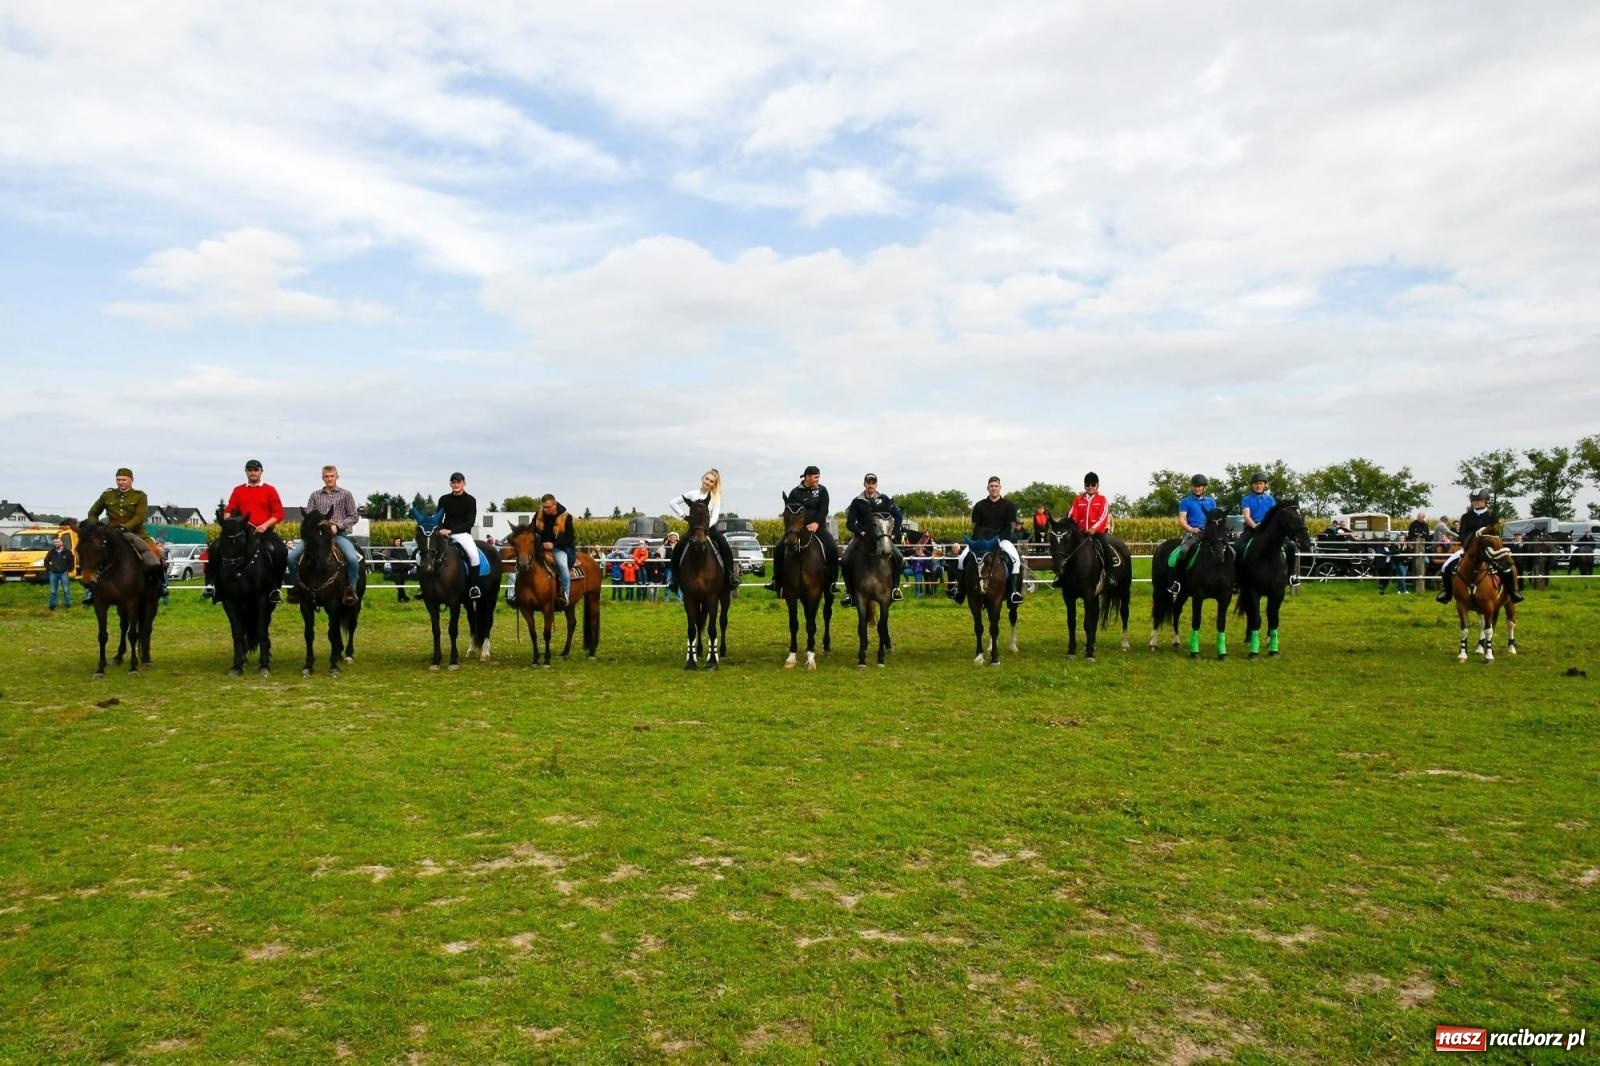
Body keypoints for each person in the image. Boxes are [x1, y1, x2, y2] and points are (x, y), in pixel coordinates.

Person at [286, 465, 362, 606]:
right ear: (323, 478)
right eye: (326, 476)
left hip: (338, 535)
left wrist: (337, 526)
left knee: (352, 559)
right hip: (316, 537)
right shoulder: (315, 495)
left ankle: (351, 589)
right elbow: (308, 516)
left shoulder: (346, 494)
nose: (329, 479)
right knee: (291, 557)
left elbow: (354, 516)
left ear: (337, 477)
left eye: (332, 476)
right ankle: (296, 586)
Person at [1436, 489, 1523, 604]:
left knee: (1508, 568)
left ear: (1486, 501)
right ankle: (1447, 593)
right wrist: (1469, 544)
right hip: (1469, 550)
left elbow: (1496, 534)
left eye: (1479, 500)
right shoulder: (1466, 516)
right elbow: (1462, 535)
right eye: (1474, 500)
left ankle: (1512, 592)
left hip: (1489, 550)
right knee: (1446, 567)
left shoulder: (1492, 517)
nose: (1476, 503)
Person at [948, 476, 1024, 605]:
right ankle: (960, 590)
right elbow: (975, 527)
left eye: (996, 486)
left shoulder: (1008, 506)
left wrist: (999, 539)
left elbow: (1010, 527)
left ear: (1000, 488)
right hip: (981, 541)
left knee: (1015, 560)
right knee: (961, 559)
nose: (994, 488)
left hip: (1002, 540)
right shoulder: (979, 505)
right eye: (991, 486)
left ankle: (1014, 592)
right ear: (987, 488)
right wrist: (978, 540)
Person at [220, 458, 288, 600]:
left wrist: (265, 525)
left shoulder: (270, 490)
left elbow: (278, 513)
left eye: (256, 470)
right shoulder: (238, 490)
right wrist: (230, 524)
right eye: (250, 470)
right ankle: (214, 586)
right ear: (246, 472)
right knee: (216, 548)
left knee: (281, 551)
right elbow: (228, 510)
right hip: (242, 533)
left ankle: (275, 588)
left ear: (261, 472)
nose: (253, 473)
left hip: (264, 532)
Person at [765, 465, 838, 593]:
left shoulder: (822, 490)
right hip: (798, 530)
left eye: (818, 477)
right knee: (779, 548)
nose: (818, 480)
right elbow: (791, 512)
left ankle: (832, 582)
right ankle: (777, 580)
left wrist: (816, 523)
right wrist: (796, 528)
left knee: (832, 547)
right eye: (815, 477)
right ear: (807, 477)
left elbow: (824, 510)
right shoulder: (795, 493)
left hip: (817, 528)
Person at [666, 469, 740, 593]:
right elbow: (672, 503)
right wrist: (684, 516)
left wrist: (704, 528)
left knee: (724, 545)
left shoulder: (716, 497)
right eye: (707, 479)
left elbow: (715, 517)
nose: (708, 482)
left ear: (714, 484)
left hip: (710, 529)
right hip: (693, 530)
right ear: (702, 478)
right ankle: (674, 579)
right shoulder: (692, 494)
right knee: (677, 548)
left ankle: (731, 576)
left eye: (711, 481)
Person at [839, 473, 905, 607]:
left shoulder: (884, 499)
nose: (871, 485)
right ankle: (850, 593)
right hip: (862, 537)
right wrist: (861, 532)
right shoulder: (857, 501)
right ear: (864, 484)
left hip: (882, 537)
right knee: (845, 560)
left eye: (873, 482)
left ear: (876, 485)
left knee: (899, 558)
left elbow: (898, 516)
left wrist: (894, 533)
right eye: (868, 482)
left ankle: (895, 589)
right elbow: (850, 523)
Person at [86, 467, 164, 572]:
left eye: (124, 480)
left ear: (131, 480)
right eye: (118, 480)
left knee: (156, 553)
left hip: (136, 532)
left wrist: (125, 527)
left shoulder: (140, 496)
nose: (120, 482)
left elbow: (139, 516)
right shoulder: (108, 495)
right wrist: (97, 527)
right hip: (111, 531)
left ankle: (161, 584)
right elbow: (93, 513)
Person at [1238, 470, 1296, 585]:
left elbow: (1275, 515)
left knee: (1291, 546)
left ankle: (1291, 575)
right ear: (1252, 485)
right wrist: (1255, 525)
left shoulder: (1270, 499)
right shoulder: (1246, 499)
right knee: (1237, 547)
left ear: (1265, 485)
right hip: (1252, 529)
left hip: (1269, 530)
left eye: (1260, 483)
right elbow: (1246, 516)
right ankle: (1238, 578)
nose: (1258, 486)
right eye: (1256, 484)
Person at [1064, 471, 1119, 587]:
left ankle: (1110, 575)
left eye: (1093, 484)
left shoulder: (1102, 500)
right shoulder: (1078, 500)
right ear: (1084, 485)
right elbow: (1073, 516)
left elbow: (1103, 516)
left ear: (1097, 485)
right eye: (1087, 484)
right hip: (1081, 533)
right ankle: (1063, 576)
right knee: (1066, 550)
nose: (1090, 487)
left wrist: (1093, 529)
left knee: (1106, 549)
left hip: (1097, 533)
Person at [433, 472, 483, 598]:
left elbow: (470, 522)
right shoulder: (444, 499)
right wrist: (439, 529)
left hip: (462, 534)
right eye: (453, 482)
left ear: (464, 484)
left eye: (458, 482)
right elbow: (438, 517)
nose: (456, 485)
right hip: (444, 533)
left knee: (474, 555)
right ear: (450, 484)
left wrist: (451, 531)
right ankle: (426, 586)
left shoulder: (471, 500)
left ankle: (474, 587)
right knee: (423, 553)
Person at [1168, 474, 1216, 597]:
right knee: (1183, 550)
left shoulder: (1211, 502)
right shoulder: (1185, 502)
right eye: (1195, 486)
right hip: (1192, 532)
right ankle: (1177, 581)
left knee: (1224, 549)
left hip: (1208, 533)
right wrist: (1191, 529)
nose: (1197, 489)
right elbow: (1182, 519)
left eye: (1200, 486)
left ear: (1204, 487)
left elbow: (1215, 518)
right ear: (1192, 487)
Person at [536, 493, 578, 608]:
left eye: (547, 507)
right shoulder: (539, 514)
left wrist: (553, 544)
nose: (544, 509)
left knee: (562, 565)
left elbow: (569, 538)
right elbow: (533, 530)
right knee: (522, 562)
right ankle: (515, 593)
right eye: (543, 507)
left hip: (558, 548)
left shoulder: (566, 517)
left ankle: (565, 595)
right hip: (539, 547)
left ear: (555, 504)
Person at [45, 536, 73, 609]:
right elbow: (46, 561)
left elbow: (71, 561)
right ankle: (52, 606)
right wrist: (49, 569)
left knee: (66, 590)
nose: (56, 543)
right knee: (53, 591)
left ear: (61, 543)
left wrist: (68, 570)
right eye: (55, 542)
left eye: (57, 542)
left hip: (64, 573)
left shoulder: (67, 552)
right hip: (53, 574)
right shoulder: (51, 552)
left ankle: (68, 605)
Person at [1406, 510, 1430, 591]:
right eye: (1418, 517)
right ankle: (1415, 578)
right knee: (1415, 562)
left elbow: (1427, 535)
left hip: (1423, 548)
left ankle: (1422, 575)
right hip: (1414, 548)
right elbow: (1410, 534)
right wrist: (1417, 535)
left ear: (1423, 518)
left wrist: (1422, 534)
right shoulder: (1413, 524)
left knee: (1426, 562)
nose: (1419, 518)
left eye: (1421, 517)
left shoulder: (1425, 525)